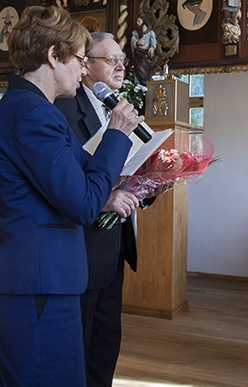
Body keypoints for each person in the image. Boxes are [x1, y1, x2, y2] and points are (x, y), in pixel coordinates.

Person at [0, 6, 144, 387]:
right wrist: (116, 132)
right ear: (53, 56)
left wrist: (136, 179)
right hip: (30, 286)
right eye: (80, 60)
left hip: (47, 281)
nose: (84, 70)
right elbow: (83, 203)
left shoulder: (38, 110)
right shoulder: (32, 114)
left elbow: (86, 178)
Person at [54, 32, 166, 387]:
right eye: (111, 59)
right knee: (81, 342)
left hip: (114, 242)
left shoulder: (120, 107)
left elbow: (126, 170)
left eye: (122, 60)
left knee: (106, 342)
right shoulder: (66, 108)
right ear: (85, 65)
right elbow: (66, 177)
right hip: (84, 243)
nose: (121, 66)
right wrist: (105, 198)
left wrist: (152, 184)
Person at [130, 15, 157, 84]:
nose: (137, 23)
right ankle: (138, 84)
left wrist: (152, 48)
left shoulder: (150, 33)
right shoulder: (135, 33)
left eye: (139, 21)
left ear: (144, 22)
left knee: (144, 70)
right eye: (137, 21)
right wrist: (137, 42)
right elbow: (132, 41)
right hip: (138, 54)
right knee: (138, 69)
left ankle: (144, 83)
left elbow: (153, 43)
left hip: (145, 55)